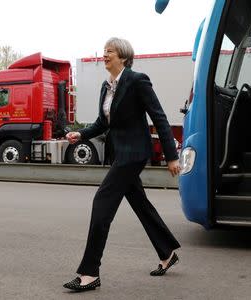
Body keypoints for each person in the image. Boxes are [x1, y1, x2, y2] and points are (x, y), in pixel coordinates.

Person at [63, 37, 181, 292]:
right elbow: (103, 123)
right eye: (104, 51)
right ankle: (167, 251)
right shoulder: (106, 87)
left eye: (110, 51)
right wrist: (80, 135)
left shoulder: (137, 80)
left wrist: (171, 156)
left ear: (124, 57)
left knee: (102, 202)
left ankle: (89, 273)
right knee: (140, 203)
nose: (105, 55)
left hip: (134, 153)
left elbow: (159, 117)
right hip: (119, 154)